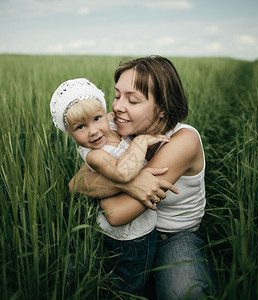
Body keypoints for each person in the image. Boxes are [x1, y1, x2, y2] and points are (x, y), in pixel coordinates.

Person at [69, 56, 217, 299]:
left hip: (172, 235)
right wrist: (130, 179)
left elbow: (116, 212)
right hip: (127, 236)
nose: (117, 107)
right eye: (117, 95)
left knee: (184, 293)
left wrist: (112, 177)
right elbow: (76, 183)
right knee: (73, 277)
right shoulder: (114, 124)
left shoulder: (183, 141)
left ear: (161, 109)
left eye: (133, 100)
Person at [50, 77, 173, 296]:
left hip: (137, 228)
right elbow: (123, 173)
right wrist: (140, 142)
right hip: (130, 237)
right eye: (80, 127)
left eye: (97, 118)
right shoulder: (94, 154)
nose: (93, 131)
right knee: (129, 285)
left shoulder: (110, 125)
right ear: (70, 133)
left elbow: (109, 116)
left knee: (126, 275)